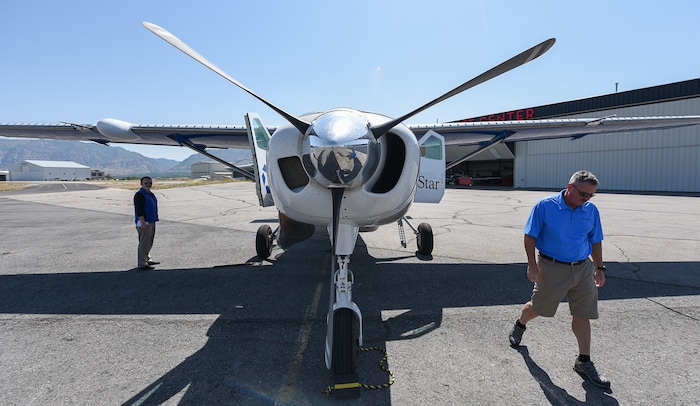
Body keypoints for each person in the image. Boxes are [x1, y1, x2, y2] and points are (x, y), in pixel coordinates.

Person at [508, 170, 610, 388]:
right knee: (538, 308)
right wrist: (532, 265)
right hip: (552, 267)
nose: (586, 200)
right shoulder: (545, 206)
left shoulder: (590, 210)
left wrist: (599, 267)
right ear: (570, 187)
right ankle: (520, 323)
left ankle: (584, 361)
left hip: (583, 268)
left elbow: (596, 239)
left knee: (583, 314)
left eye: (591, 196)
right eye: (583, 194)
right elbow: (530, 236)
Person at [134, 176, 160, 270]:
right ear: (141, 184)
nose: (148, 184)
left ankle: (147, 259)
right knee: (144, 243)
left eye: (150, 183)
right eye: (146, 183)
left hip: (151, 220)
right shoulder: (140, 194)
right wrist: (143, 222)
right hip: (145, 222)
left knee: (149, 242)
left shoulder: (150, 194)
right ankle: (142, 263)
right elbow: (139, 209)